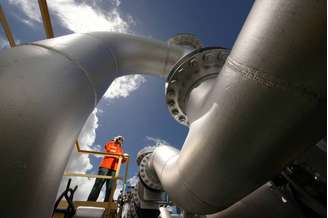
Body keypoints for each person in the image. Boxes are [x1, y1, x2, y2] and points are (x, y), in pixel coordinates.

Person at [87, 136, 127, 202]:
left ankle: (107, 204)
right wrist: (113, 141)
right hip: (105, 166)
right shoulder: (111, 144)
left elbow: (121, 161)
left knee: (110, 187)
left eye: (122, 140)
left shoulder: (120, 150)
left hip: (114, 170)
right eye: (120, 139)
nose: (121, 140)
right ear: (117, 139)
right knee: (98, 184)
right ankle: (90, 201)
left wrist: (124, 158)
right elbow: (109, 149)